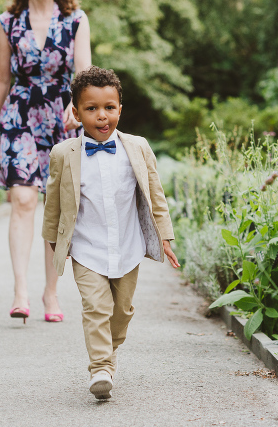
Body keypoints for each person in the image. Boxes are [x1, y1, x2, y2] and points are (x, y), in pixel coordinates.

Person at [41, 66, 180, 400]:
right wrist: (52, 242)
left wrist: (165, 236)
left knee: (122, 312)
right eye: (91, 109)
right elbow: (53, 202)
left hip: (128, 246)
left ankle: (110, 347)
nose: (101, 116)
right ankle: (101, 368)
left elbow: (155, 195)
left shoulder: (138, 147)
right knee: (96, 308)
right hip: (87, 249)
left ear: (120, 109)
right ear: (76, 113)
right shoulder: (64, 153)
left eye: (109, 108)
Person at [0, 0, 91, 323]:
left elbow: (84, 71)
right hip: (19, 114)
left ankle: (51, 293)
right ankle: (21, 291)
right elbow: (1, 77)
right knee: (23, 200)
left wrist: (78, 106)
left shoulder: (76, 19)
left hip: (62, 117)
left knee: (57, 206)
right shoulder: (7, 21)